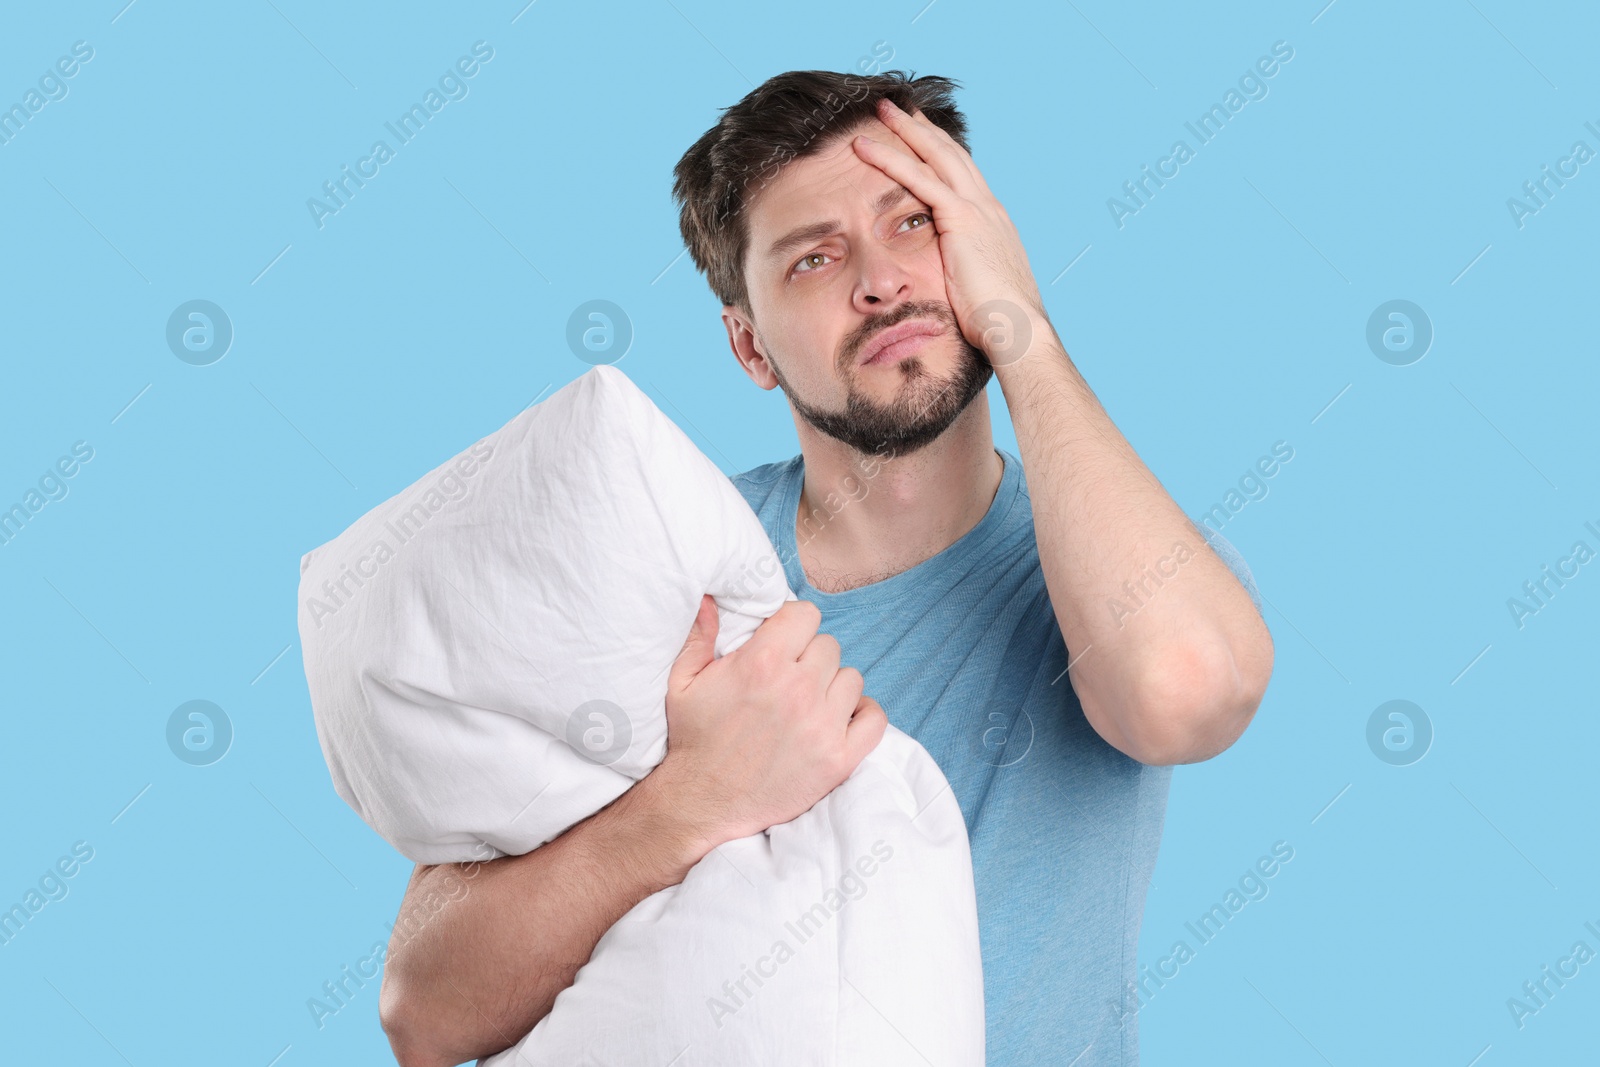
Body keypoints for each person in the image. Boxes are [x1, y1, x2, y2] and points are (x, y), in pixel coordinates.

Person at [377, 69, 1274, 1067]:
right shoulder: (661, 563)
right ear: (749, 346)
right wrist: (689, 802)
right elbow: (423, 1006)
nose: (880, 281)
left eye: (914, 224)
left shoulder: (1112, 544)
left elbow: (1181, 695)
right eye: (813, 258)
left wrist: (1019, 323)